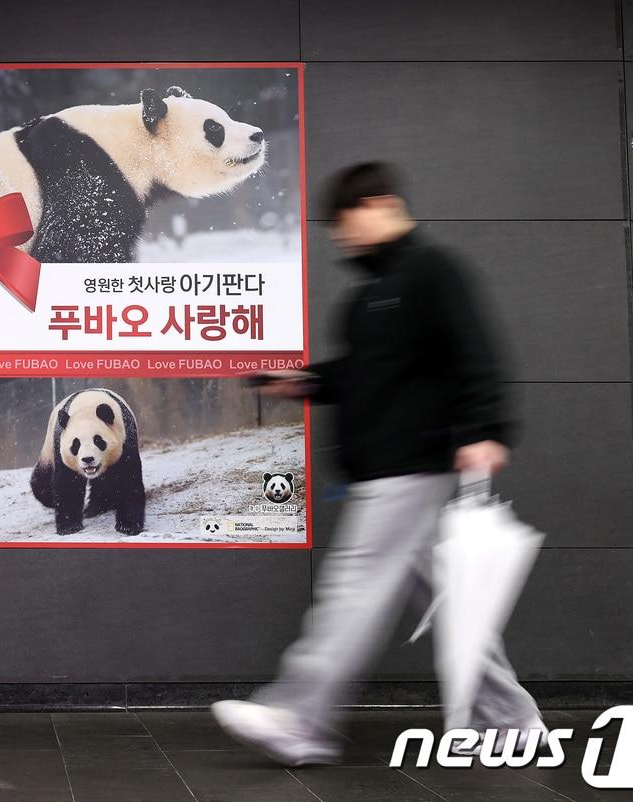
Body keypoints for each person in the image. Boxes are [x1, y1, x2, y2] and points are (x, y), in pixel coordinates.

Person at [211, 162, 542, 766]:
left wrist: (486, 430)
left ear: (379, 204)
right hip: (385, 467)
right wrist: (307, 381)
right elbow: (368, 376)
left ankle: (300, 718)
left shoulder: (432, 272)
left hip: (411, 463)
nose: (339, 236)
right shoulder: (371, 294)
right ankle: (514, 720)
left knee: (354, 586)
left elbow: (476, 352)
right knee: (445, 598)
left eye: (344, 222)